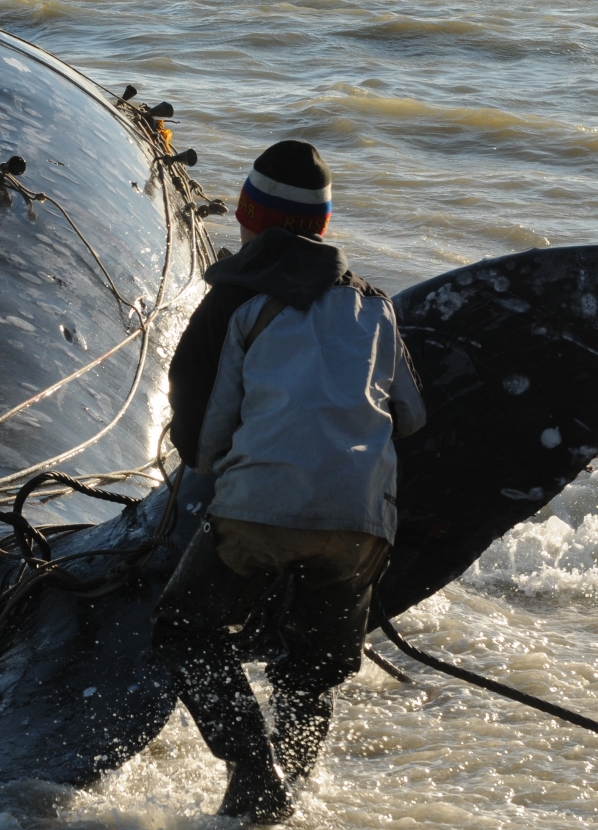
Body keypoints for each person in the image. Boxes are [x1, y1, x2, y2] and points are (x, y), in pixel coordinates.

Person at [153, 140, 427, 823]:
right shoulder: (375, 306)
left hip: (260, 507)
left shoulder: (236, 302)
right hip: (361, 524)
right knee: (310, 669)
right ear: (323, 228)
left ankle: (253, 772)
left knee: (184, 630)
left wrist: (206, 472)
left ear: (248, 218)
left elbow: (202, 422)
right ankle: (286, 798)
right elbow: (412, 418)